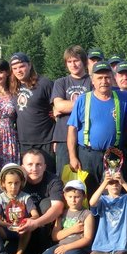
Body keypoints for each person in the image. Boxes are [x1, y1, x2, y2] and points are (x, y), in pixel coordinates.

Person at [67, 60, 127, 195]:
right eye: (99, 78)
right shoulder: (83, 100)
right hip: (87, 155)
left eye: (107, 77)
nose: (104, 81)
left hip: (113, 155)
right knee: (86, 192)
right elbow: (72, 130)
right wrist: (72, 157)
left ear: (113, 79)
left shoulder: (122, 99)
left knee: (111, 193)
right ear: (92, 81)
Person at [10, 52, 56, 173]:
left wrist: (56, 138)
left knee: (46, 175)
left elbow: (57, 111)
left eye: (22, 66)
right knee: (28, 176)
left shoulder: (44, 83)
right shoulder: (13, 86)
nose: (18, 71)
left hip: (45, 141)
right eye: (15, 68)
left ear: (29, 65)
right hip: (24, 142)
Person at [36, 179, 95, 254]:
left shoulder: (87, 214)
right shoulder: (62, 213)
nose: (73, 200)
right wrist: (73, 230)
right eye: (70, 197)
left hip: (78, 248)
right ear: (65, 196)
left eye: (77, 197)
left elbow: (87, 239)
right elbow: (55, 236)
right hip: (61, 245)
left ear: (84, 197)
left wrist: (67, 247)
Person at [18, 149, 66, 254]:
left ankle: (45, 247)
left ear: (44, 167)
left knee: (45, 204)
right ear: (22, 167)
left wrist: (36, 223)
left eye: (38, 164)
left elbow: (58, 207)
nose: (34, 169)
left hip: (45, 226)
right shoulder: (17, 181)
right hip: (23, 224)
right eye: (30, 164)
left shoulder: (53, 180)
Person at [51, 45, 91, 174]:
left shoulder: (92, 81)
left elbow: (96, 104)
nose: (73, 65)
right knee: (64, 177)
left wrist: (66, 106)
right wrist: (87, 104)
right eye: (69, 61)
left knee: (86, 178)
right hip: (63, 137)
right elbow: (59, 106)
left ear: (84, 61)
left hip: (86, 138)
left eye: (76, 60)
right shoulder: (60, 82)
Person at [0, 163, 40, 254]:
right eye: (10, 183)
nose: (13, 186)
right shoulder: (0, 198)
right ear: (3, 183)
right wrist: (7, 224)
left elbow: (35, 215)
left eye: (16, 183)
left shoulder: (26, 197)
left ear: (21, 183)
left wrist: (27, 222)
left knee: (28, 229)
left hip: (21, 229)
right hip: (6, 229)